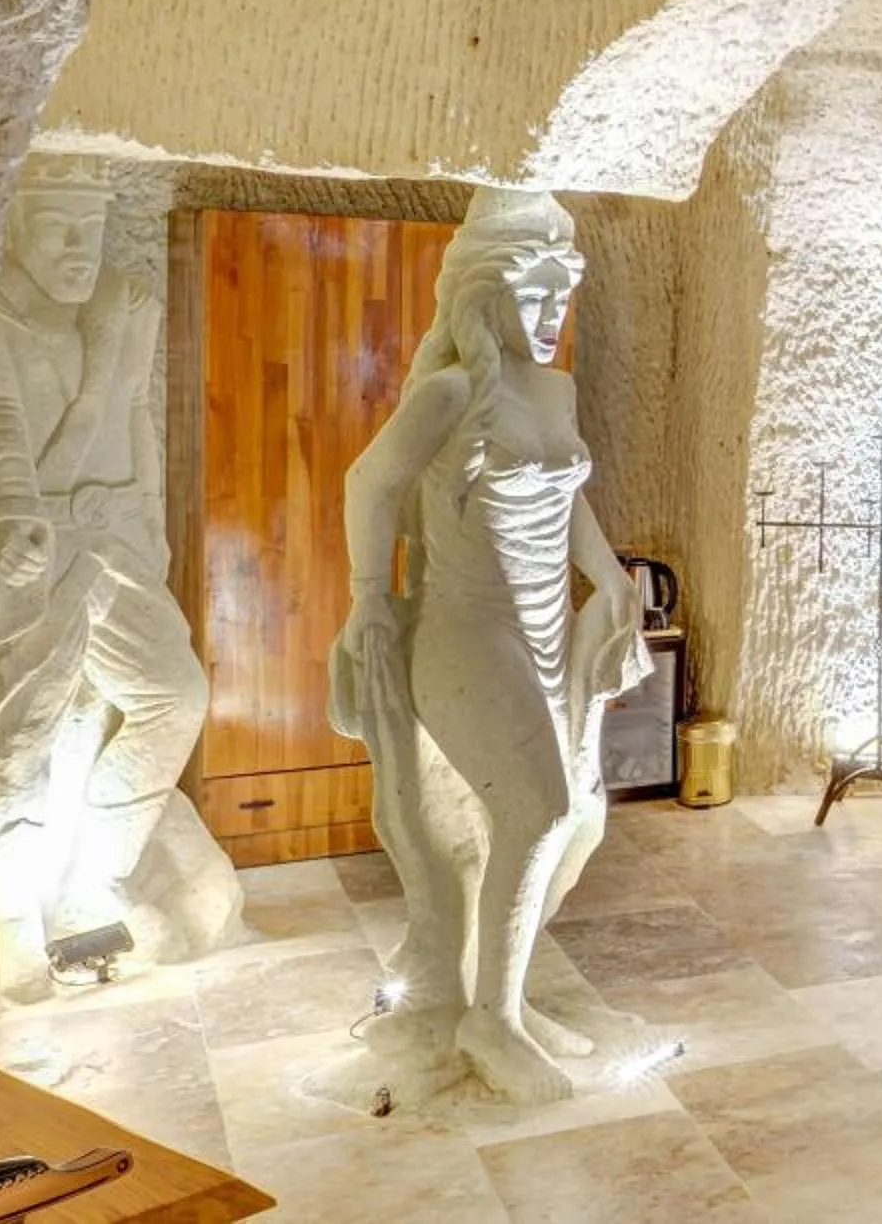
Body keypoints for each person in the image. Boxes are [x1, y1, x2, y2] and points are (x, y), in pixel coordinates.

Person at [331, 188, 647, 1103]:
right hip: (464, 633)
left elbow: (567, 492)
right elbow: (369, 482)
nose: (551, 319)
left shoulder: (553, 389)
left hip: (544, 632)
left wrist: (613, 575)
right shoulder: (451, 391)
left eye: (562, 297)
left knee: (572, 820)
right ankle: (490, 1023)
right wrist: (367, 597)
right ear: (481, 297)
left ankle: (498, 992)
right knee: (540, 813)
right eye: (533, 296)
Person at [0, 158, 234, 998]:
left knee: (174, 696)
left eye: (92, 231)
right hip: (31, 543)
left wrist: (151, 528)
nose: (79, 248)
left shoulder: (123, 312)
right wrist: (16, 519)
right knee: (17, 736)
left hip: (119, 546)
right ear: (19, 233)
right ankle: (6, 913)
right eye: (59, 230)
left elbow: (139, 423)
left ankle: (90, 878)